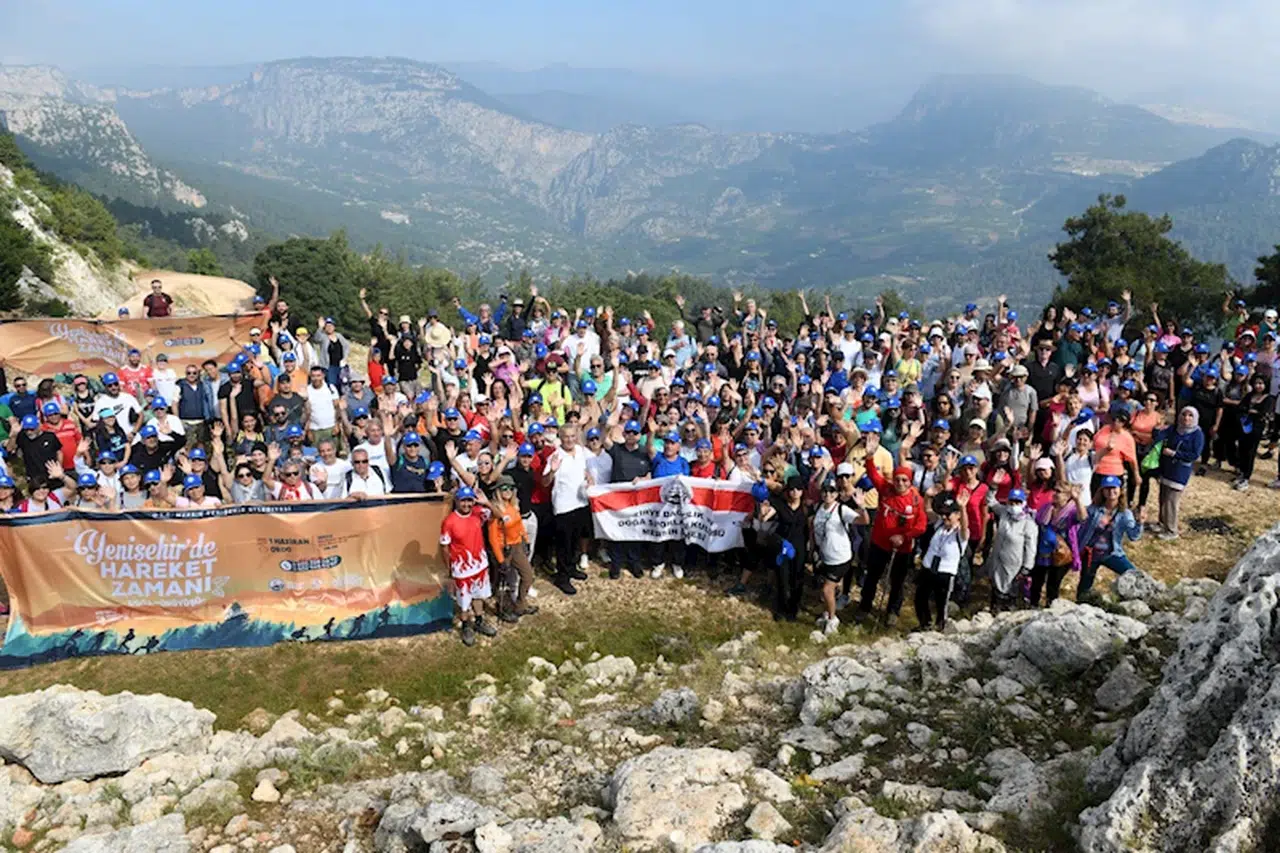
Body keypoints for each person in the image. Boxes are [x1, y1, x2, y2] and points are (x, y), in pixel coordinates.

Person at [856, 462, 927, 627]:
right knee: (872, 578)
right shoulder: (886, 489)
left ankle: (892, 611)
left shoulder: (916, 500)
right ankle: (864, 607)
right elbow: (874, 475)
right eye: (897, 479)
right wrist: (869, 457)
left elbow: (921, 525)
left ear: (910, 482)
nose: (900, 484)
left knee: (897, 581)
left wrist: (904, 537)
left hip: (902, 549)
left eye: (904, 480)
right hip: (879, 544)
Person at [440, 486, 498, 646]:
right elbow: (444, 547)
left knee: (478, 595)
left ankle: (479, 621)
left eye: (469, 500)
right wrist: (450, 570)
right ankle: (466, 626)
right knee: (464, 601)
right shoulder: (449, 522)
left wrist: (486, 502)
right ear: (457, 501)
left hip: (480, 565)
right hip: (461, 569)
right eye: (463, 500)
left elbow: (498, 516)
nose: (466, 504)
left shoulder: (478, 513)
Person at [811, 478, 868, 635]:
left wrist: (862, 506)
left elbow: (863, 521)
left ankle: (833, 618)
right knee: (827, 590)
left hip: (840, 557)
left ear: (837, 494)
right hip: (824, 555)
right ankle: (827, 612)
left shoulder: (842, 509)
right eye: (825, 491)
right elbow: (813, 528)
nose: (828, 494)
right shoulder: (818, 509)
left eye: (831, 491)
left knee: (827, 589)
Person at [1077, 475, 1145, 599]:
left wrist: (1139, 523)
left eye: (1114, 488)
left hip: (1112, 553)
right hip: (1091, 553)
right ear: (1102, 491)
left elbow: (1133, 536)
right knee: (1084, 586)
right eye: (1107, 488)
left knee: (1133, 575)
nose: (1111, 492)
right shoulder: (1094, 509)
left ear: (1120, 490)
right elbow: (1081, 520)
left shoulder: (1125, 513)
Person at [544, 423, 592, 594]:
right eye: (566, 437)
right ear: (561, 437)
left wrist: (589, 477)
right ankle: (562, 577)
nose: (570, 440)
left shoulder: (580, 451)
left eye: (572, 436)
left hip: (581, 502)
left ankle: (572, 568)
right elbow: (545, 482)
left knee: (575, 540)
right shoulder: (556, 456)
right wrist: (552, 471)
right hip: (564, 506)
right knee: (564, 544)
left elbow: (585, 470)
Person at [486, 474, 539, 623]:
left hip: (517, 546)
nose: (508, 491)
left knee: (527, 575)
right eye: (504, 488)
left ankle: (521, 604)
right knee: (502, 581)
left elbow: (519, 525)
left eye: (510, 488)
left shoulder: (513, 505)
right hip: (505, 548)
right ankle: (503, 608)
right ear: (498, 491)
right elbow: (493, 538)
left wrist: (526, 541)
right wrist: (501, 559)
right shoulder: (496, 510)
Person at [1154, 407, 1205, 539]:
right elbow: (1160, 436)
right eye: (1184, 414)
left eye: (1190, 416)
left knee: (1172, 500)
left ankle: (1171, 530)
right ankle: (1162, 522)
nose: (1186, 418)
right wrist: (1157, 429)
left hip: (1180, 471)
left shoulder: (1197, 434)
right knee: (1163, 497)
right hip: (1167, 467)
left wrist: (1175, 454)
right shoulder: (1174, 428)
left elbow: (1194, 454)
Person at [916, 494, 966, 629]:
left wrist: (963, 508)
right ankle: (924, 623)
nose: (944, 517)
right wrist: (928, 497)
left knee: (941, 601)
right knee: (920, 597)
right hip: (929, 567)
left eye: (948, 514)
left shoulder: (960, 533)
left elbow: (965, 531)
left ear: (957, 515)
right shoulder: (940, 525)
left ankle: (940, 626)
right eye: (943, 513)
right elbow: (928, 511)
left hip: (945, 571)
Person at [985, 488, 1038, 610]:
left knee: (1009, 591)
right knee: (996, 588)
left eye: (1018, 502)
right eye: (1012, 502)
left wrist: (1027, 567)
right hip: (997, 560)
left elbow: (1031, 547)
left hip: (1013, 563)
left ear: (1023, 503)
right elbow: (990, 501)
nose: (1014, 505)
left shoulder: (1028, 523)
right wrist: (993, 486)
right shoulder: (1004, 513)